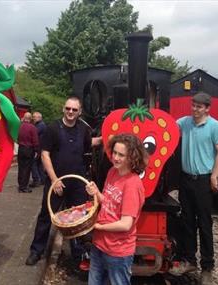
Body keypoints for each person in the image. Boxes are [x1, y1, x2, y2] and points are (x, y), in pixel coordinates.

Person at [25, 96, 102, 266]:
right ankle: (36, 251)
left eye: (74, 110)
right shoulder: (52, 128)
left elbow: (90, 143)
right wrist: (54, 180)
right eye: (68, 108)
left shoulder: (83, 129)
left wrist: (108, 138)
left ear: (79, 112)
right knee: (46, 216)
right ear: (63, 109)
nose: (70, 112)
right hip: (57, 181)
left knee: (79, 220)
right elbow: (45, 154)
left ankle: (78, 253)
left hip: (77, 183)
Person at [169, 92, 218, 284]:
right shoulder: (184, 123)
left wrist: (214, 175)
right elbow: (167, 127)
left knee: (204, 224)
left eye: (199, 107)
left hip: (203, 181)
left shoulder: (215, 126)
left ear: (207, 108)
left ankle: (207, 267)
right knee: (187, 222)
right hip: (186, 180)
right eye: (193, 105)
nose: (195, 109)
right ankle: (189, 260)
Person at [85, 134, 147, 285]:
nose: (116, 158)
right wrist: (96, 193)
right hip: (99, 244)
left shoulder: (132, 185)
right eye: (114, 153)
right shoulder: (113, 171)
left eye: (121, 155)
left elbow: (126, 224)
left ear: (132, 157)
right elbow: (108, 202)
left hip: (118, 251)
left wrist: (98, 226)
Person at [17, 112, 39, 193]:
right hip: (29, 149)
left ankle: (20, 185)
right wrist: (37, 150)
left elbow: (17, 137)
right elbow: (35, 140)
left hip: (21, 148)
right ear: (30, 119)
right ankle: (24, 186)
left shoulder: (20, 126)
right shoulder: (32, 128)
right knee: (27, 168)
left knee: (21, 167)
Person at [29, 111, 47, 187]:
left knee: (33, 163)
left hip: (38, 148)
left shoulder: (40, 125)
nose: (33, 118)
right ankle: (43, 179)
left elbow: (34, 133)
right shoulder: (41, 125)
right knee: (39, 164)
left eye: (34, 117)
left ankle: (36, 180)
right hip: (41, 147)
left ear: (39, 117)